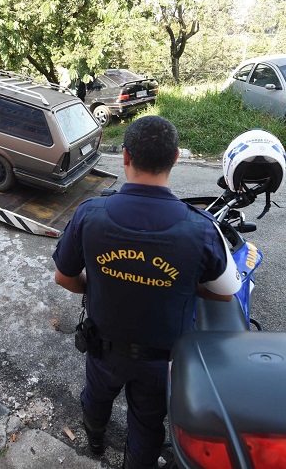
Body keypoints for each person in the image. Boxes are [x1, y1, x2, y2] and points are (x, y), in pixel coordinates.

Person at [52, 115, 243, 469]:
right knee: (148, 421)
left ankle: (94, 440)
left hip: (103, 348)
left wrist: (100, 282)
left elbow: (64, 277)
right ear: (176, 158)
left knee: (96, 398)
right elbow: (226, 294)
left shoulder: (89, 214)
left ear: (124, 157)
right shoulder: (201, 229)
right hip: (161, 359)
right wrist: (183, 286)